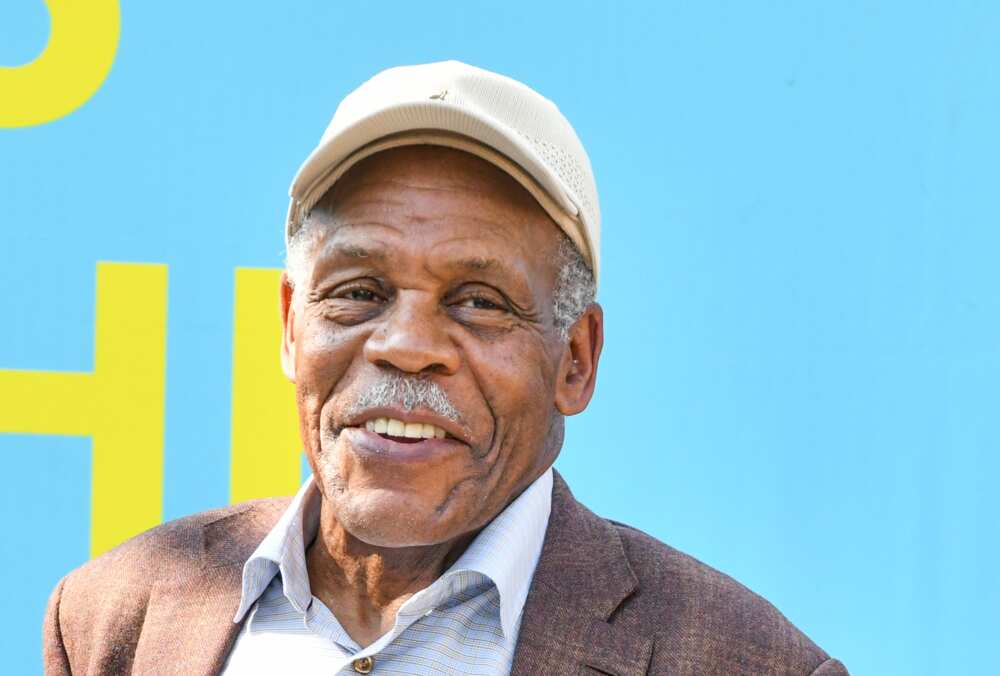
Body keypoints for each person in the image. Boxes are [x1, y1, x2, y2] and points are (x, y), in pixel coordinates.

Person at [43, 61, 847, 675]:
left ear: (576, 359)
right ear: (292, 326)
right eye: (358, 292)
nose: (405, 344)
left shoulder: (738, 660)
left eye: (479, 301)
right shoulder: (118, 618)